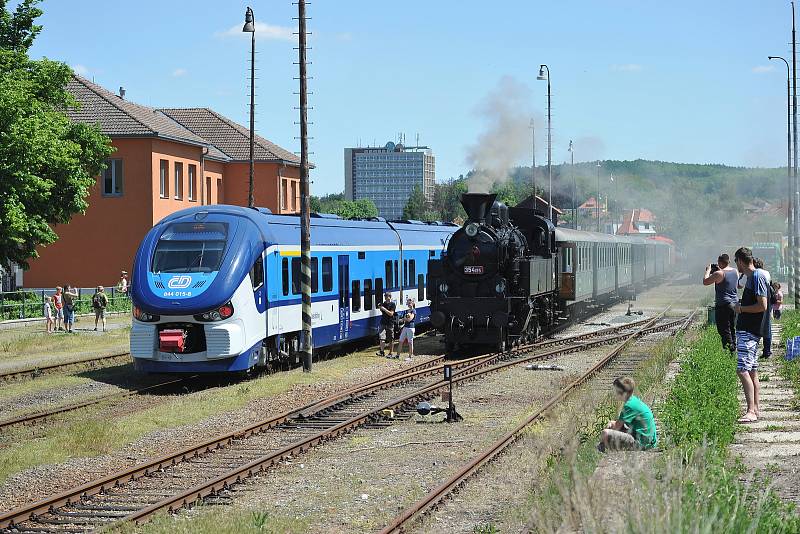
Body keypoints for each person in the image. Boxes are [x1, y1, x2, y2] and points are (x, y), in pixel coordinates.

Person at [733, 247, 769, 423]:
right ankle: (755, 408)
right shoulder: (752, 277)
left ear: (740, 260)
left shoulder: (756, 276)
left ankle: (751, 411)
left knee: (743, 370)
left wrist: (741, 309)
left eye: (736, 262)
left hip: (749, 331)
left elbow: (762, 305)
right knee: (752, 371)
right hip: (749, 330)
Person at [598, 377, 658, 452]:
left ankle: (600, 450)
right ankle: (602, 448)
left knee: (605, 433)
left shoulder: (628, 406)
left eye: (616, 390)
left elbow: (617, 427)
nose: (615, 393)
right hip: (648, 440)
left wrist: (609, 428)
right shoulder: (633, 400)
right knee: (611, 425)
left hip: (641, 443)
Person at [703, 254, 738, 353]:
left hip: (723, 305)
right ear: (729, 261)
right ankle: (734, 347)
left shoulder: (719, 273)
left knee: (723, 329)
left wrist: (708, 270)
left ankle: (729, 349)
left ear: (719, 262)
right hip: (734, 304)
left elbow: (705, 281)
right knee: (731, 327)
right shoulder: (735, 271)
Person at [377, 292, 397, 358]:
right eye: (384, 296)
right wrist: (380, 307)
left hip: (390, 323)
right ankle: (382, 352)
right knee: (381, 337)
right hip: (383, 322)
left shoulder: (393, 304)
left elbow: (391, 314)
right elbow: (382, 311)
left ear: (390, 296)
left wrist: (384, 309)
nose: (385, 297)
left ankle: (391, 353)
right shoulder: (384, 303)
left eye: (386, 296)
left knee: (390, 339)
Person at [398, 298, 416, 362]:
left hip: (410, 328)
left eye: (410, 303)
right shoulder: (406, 311)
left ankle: (410, 356)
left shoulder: (413, 311)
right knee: (400, 340)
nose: (409, 304)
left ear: (413, 303)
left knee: (410, 342)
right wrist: (405, 318)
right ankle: (397, 355)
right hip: (405, 327)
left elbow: (409, 319)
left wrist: (404, 318)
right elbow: (402, 319)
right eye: (408, 303)